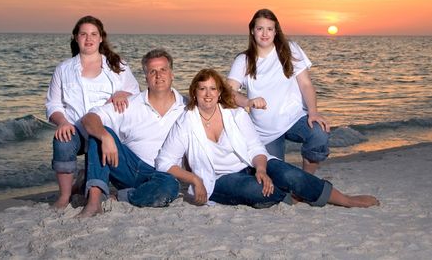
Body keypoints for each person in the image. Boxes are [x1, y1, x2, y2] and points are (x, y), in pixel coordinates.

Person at [156, 69, 379, 209]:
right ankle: (295, 193)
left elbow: (255, 147)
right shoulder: (186, 122)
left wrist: (262, 170)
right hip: (219, 178)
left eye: (213, 89)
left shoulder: (234, 115)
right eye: (202, 88)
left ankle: (344, 199)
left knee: (288, 172)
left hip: (251, 165)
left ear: (220, 93)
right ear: (194, 92)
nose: (207, 94)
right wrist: (195, 180)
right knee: (260, 192)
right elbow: (164, 162)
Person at [46, 15, 140, 209]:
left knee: (99, 139)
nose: (88, 39)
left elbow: (136, 95)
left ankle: (92, 193)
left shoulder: (117, 66)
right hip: (76, 130)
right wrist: (62, 122)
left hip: (107, 129)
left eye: (93, 34)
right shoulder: (63, 69)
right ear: (75, 37)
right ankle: (64, 196)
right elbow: (53, 104)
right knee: (62, 141)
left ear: (101, 38)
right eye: (83, 34)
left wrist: (123, 93)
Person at [78, 48, 186, 217]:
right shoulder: (130, 104)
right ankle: (93, 202)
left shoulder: (187, 108)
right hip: (129, 169)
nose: (159, 76)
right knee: (99, 134)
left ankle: (123, 196)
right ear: (146, 78)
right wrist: (105, 136)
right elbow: (89, 118)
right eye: (153, 71)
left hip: (164, 176)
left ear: (172, 74)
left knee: (169, 187)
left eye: (163, 70)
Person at [227, 8, 329, 174]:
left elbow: (306, 84)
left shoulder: (290, 50)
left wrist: (313, 112)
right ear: (253, 31)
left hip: (294, 119)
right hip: (264, 131)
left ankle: (307, 180)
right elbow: (229, 93)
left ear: (276, 31)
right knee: (276, 180)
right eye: (260, 28)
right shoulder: (243, 60)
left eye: (269, 29)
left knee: (319, 133)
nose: (265, 33)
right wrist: (247, 101)